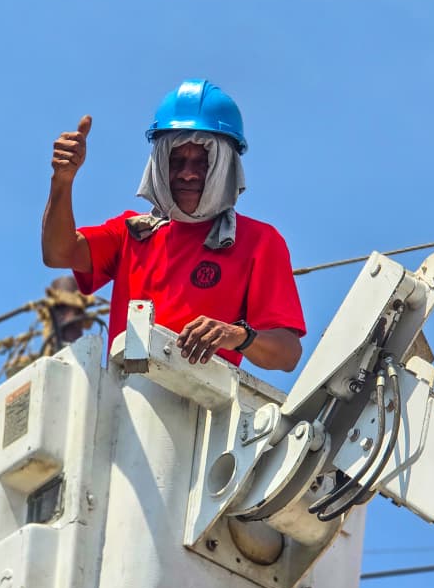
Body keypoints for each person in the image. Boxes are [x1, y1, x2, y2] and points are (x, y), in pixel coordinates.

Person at [41, 79, 305, 372]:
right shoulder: (133, 233)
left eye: (202, 162)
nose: (187, 174)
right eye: (176, 160)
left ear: (225, 166)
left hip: (200, 400)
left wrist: (237, 335)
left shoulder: (258, 241)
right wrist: (62, 180)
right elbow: (58, 253)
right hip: (124, 395)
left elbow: (287, 354)